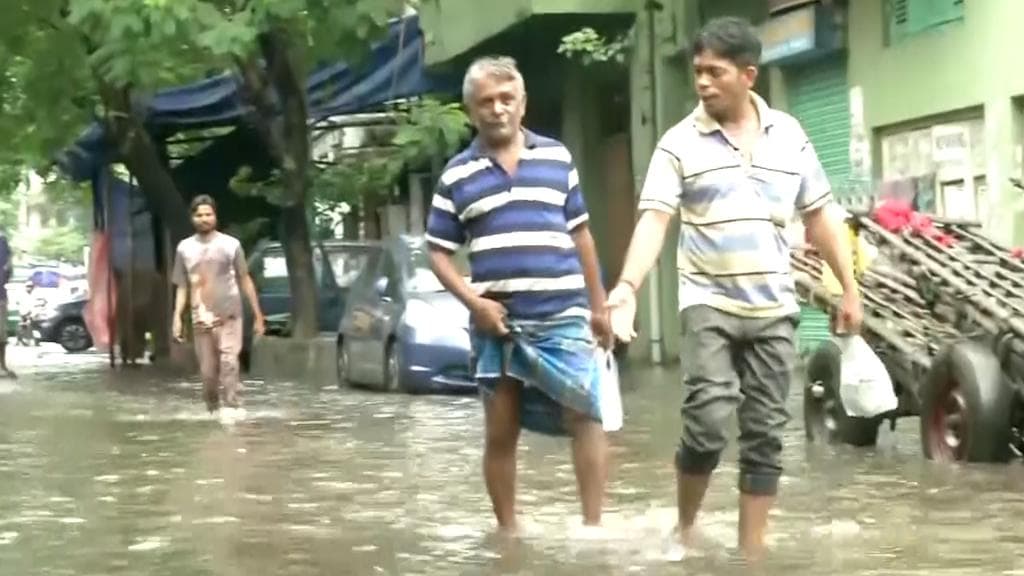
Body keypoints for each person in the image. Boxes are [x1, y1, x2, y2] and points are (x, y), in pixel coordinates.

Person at [606, 17, 863, 560]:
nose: (702, 82)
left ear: (748, 75)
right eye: (697, 71)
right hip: (709, 303)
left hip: (774, 305)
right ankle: (685, 526)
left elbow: (820, 216)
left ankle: (752, 553)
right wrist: (627, 286)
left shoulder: (790, 136)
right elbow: (655, 220)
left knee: (766, 431)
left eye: (714, 72)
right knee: (706, 415)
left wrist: (849, 289)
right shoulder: (678, 144)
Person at [426, 56, 613, 534]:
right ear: (470, 110)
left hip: (564, 312)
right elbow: (439, 254)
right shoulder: (456, 176)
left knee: (586, 414)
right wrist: (477, 305)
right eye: (486, 101)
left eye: (507, 98)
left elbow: (582, 235)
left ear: (523, 103)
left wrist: (600, 307)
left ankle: (593, 528)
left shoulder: (557, 158)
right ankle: (508, 533)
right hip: (499, 323)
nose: (498, 109)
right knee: (501, 429)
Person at [172, 195, 265, 416]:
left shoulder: (231, 245)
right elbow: (182, 286)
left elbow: (245, 279)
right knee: (207, 373)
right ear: (192, 218)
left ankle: (233, 407)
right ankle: (212, 409)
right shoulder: (184, 248)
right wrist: (177, 317)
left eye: (208, 214)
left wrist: (258, 314)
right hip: (200, 316)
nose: (204, 219)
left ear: (215, 216)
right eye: (199, 215)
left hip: (230, 312)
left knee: (229, 361)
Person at [0, 233, 13, 377]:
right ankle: (2, 366)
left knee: (1, 334)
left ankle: (2, 366)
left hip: (0, 297)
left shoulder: (2, 241)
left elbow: (9, 268)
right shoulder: (2, 241)